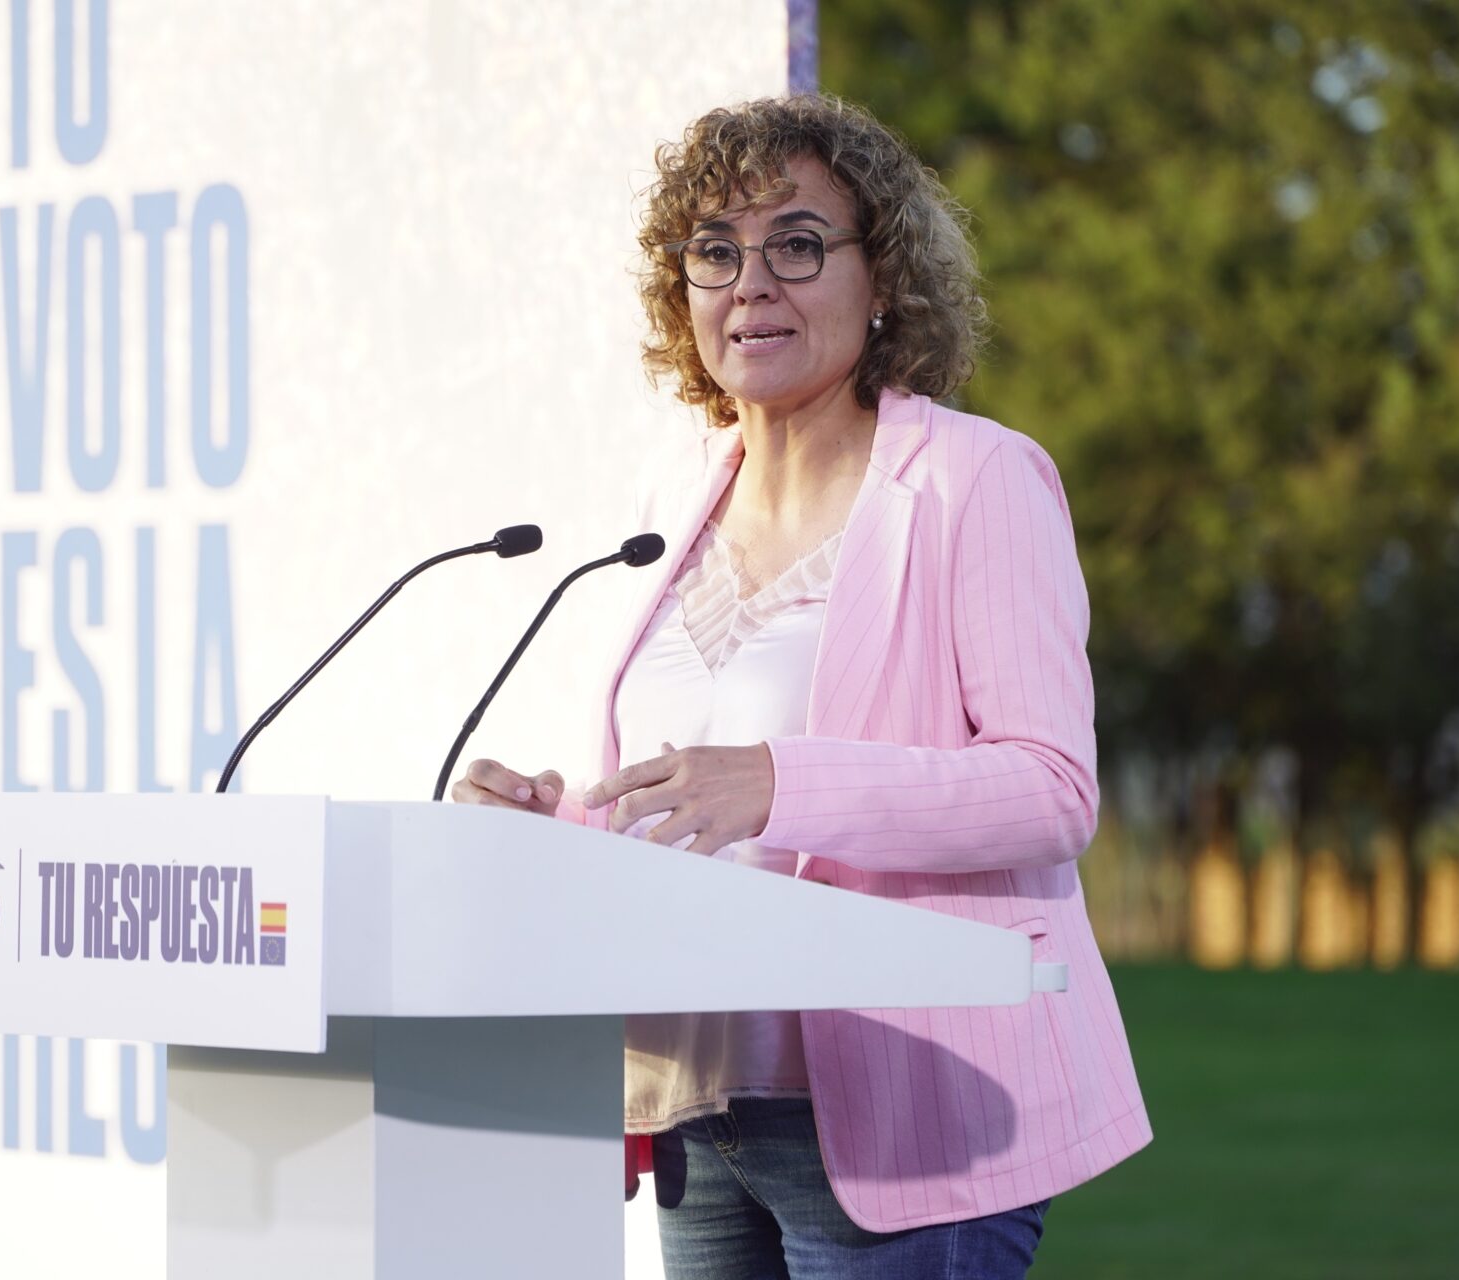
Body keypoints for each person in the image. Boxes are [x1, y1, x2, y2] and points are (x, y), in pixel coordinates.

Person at [455, 94, 1150, 1280]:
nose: (752, 283)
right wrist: (557, 823)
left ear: (883, 279)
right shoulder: (673, 499)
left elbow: (1051, 788)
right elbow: (695, 800)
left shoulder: (976, 479)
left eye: (797, 243)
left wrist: (781, 782)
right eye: (716, 250)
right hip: (698, 1105)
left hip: (910, 1112)